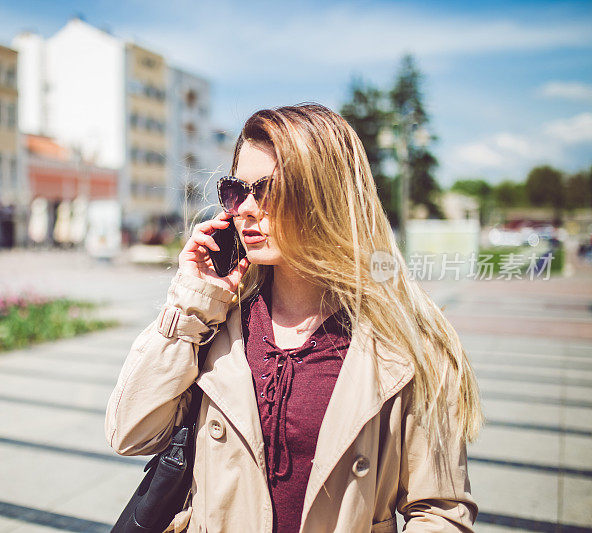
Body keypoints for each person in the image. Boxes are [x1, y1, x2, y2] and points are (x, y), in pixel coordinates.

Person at [105, 103, 482, 532]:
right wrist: (192, 302)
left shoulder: (411, 341)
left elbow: (439, 511)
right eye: (235, 191)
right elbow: (130, 432)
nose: (245, 208)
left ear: (329, 195)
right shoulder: (216, 320)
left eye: (267, 190)